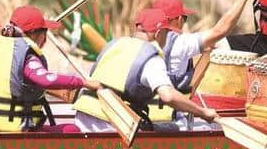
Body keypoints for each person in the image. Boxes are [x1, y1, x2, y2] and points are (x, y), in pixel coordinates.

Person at [74, 8, 219, 132]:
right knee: (181, 128)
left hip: (82, 120)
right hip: (112, 125)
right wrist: (203, 112)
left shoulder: (112, 46)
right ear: (158, 33)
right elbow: (168, 96)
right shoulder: (150, 59)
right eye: (166, 33)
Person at [0, 5, 100, 133]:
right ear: (35, 34)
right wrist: (84, 83)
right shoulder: (27, 56)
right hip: (17, 129)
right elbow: (46, 79)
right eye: (44, 33)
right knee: (72, 130)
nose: (45, 39)